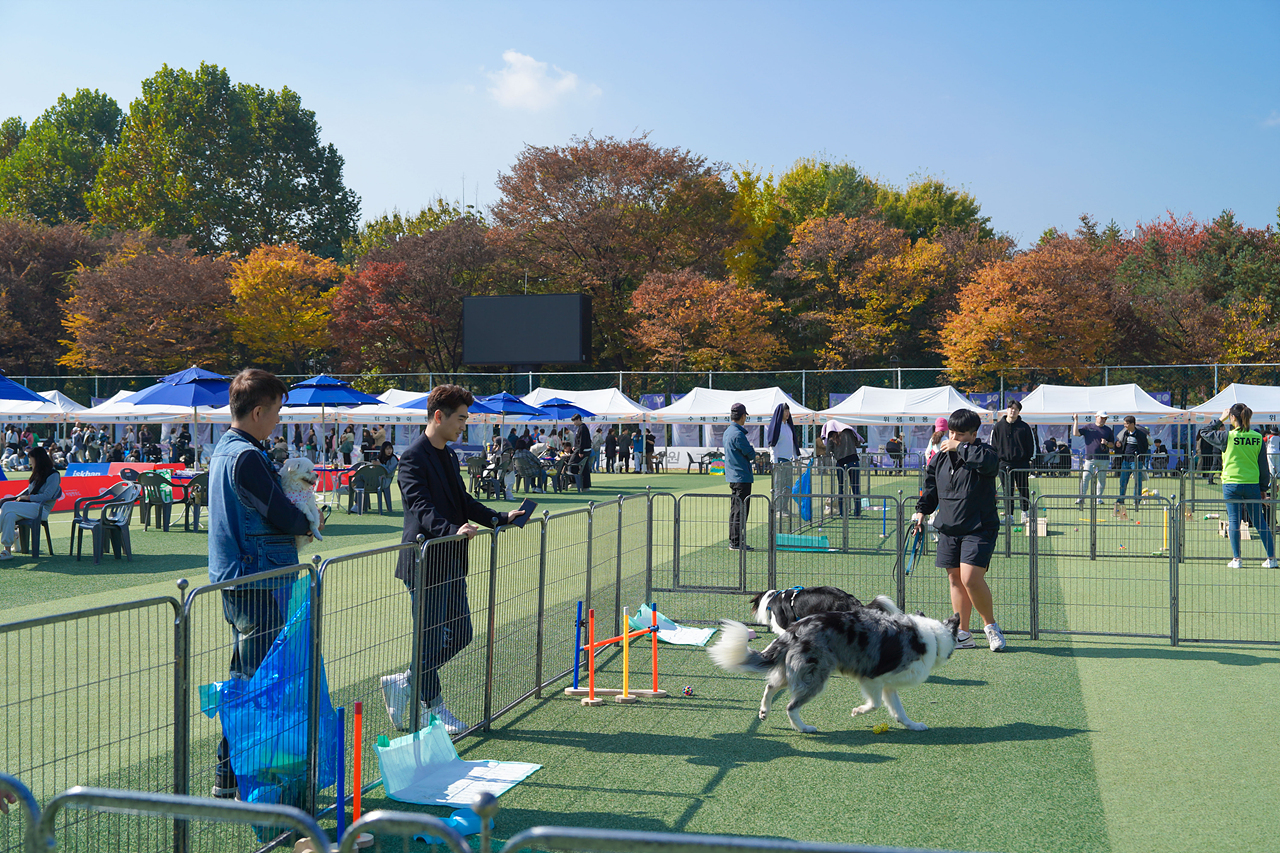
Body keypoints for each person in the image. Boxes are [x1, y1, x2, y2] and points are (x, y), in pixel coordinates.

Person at [208, 369, 319, 799]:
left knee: (247, 678)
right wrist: (308, 518)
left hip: (241, 578)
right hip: (257, 579)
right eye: (275, 411)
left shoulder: (227, 449)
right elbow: (281, 513)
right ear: (257, 411)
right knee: (258, 681)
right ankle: (241, 776)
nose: (278, 420)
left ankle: (235, 774)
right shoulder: (247, 456)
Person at [387, 385, 524, 734]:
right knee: (430, 640)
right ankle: (435, 709)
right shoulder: (412, 458)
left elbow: (463, 500)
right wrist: (451, 529)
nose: (465, 424)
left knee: (461, 632)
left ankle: (404, 682)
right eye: (461, 418)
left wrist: (498, 517)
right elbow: (420, 507)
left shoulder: (448, 455)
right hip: (424, 560)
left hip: (450, 558)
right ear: (439, 416)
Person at [911, 408, 1006, 652]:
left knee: (971, 579)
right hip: (949, 527)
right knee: (955, 579)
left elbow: (988, 465)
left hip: (979, 526)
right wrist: (922, 511)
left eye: (960, 434)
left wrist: (960, 448)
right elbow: (930, 487)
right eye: (951, 432)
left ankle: (991, 627)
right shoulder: (939, 458)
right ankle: (963, 633)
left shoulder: (985, 452)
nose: (952, 438)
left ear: (974, 435)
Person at [1198, 404, 1277, 569]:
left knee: (1234, 520)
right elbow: (1263, 466)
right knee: (1260, 522)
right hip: (1252, 484)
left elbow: (1204, 432)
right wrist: (1263, 489)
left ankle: (1237, 559)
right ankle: (1271, 558)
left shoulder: (1227, 436)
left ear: (1232, 417)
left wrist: (1220, 419)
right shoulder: (1257, 437)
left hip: (1231, 483)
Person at [0, 447, 61, 560]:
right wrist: (18, 498)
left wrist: (28, 497)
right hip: (30, 507)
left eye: (32, 459)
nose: (30, 462)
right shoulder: (37, 474)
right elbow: (27, 491)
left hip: (42, 509)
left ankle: (12, 537)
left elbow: (47, 496)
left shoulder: (54, 475)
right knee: (9, 515)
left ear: (39, 459)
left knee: (7, 506)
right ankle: (7, 550)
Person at [991, 400, 1036, 523]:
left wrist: (1028, 459)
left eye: (1016, 409)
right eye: (1011, 408)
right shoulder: (998, 426)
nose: (1013, 411)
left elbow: (1030, 445)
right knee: (1007, 490)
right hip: (1004, 464)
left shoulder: (1024, 427)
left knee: (1023, 488)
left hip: (1021, 463)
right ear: (1007, 409)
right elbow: (993, 445)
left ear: (1019, 411)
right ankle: (1009, 516)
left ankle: (1025, 513)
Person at [724, 402, 757, 551]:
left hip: (733, 475)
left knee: (735, 509)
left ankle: (734, 539)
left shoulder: (728, 432)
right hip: (741, 476)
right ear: (743, 416)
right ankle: (736, 542)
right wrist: (752, 449)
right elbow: (750, 454)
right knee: (741, 510)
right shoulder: (738, 434)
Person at [1073, 411, 1114, 506]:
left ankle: (1098, 498)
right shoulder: (1088, 427)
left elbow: (1112, 444)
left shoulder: (1108, 430)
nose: (1104, 420)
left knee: (1102, 479)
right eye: (1102, 417)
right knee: (1085, 478)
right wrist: (1076, 420)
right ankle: (1081, 498)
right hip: (1090, 458)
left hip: (1104, 459)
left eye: (1105, 418)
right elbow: (1076, 433)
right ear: (1096, 417)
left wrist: (1107, 443)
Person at [824, 420, 864, 517]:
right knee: (855, 487)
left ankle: (842, 513)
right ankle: (857, 512)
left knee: (841, 488)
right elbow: (858, 443)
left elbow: (828, 451)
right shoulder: (848, 431)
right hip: (853, 460)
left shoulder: (831, 436)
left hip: (841, 463)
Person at [768, 404, 800, 511]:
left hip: (788, 460)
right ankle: (778, 509)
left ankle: (785, 508)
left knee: (788, 486)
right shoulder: (777, 426)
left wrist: (796, 457)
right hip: (780, 461)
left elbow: (793, 443)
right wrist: (774, 460)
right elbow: (773, 444)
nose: (787, 413)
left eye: (788, 411)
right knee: (779, 486)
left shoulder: (789, 426)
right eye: (785, 411)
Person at [1114, 416, 1150, 512]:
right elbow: (1120, 445)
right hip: (1125, 460)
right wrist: (1117, 446)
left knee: (1137, 481)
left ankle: (1137, 499)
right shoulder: (1124, 434)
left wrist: (1140, 457)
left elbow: (1145, 447)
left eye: (1126, 423)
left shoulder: (1141, 435)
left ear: (1132, 424)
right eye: (1124, 423)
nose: (1125, 425)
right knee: (1123, 481)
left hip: (1136, 460)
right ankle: (1121, 499)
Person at [571, 414, 592, 490]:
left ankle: (574, 482)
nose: (574, 423)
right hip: (581, 449)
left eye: (575, 421)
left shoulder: (582, 428)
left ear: (579, 419)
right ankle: (584, 485)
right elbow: (578, 440)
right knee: (584, 468)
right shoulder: (581, 427)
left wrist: (580, 451)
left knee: (571, 464)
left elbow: (582, 441)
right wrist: (575, 446)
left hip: (583, 451)